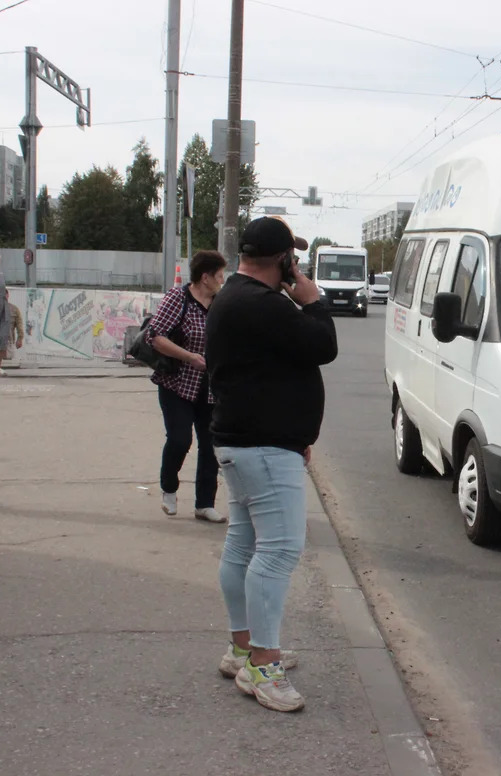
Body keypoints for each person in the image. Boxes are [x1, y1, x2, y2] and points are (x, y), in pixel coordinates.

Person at [206, 217, 337, 712]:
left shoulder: (233, 297)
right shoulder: (262, 304)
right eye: (294, 258)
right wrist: (314, 300)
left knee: (243, 546)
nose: (297, 266)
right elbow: (323, 345)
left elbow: (272, 369)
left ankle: (243, 647)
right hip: (262, 448)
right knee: (279, 551)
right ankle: (263, 664)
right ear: (283, 260)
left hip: (247, 443)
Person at [147, 250, 228, 524]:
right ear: (205, 277)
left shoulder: (221, 303)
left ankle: (205, 504)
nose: (222, 280)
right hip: (177, 384)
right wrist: (190, 357)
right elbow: (155, 336)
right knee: (180, 440)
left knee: (210, 446)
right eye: (219, 276)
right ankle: (169, 489)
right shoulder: (178, 299)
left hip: (210, 388)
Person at [6, 293, 24, 362]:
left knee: (7, 363)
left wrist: (20, 339)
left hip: (8, 342)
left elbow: (19, 325)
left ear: (7, 295)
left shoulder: (14, 309)